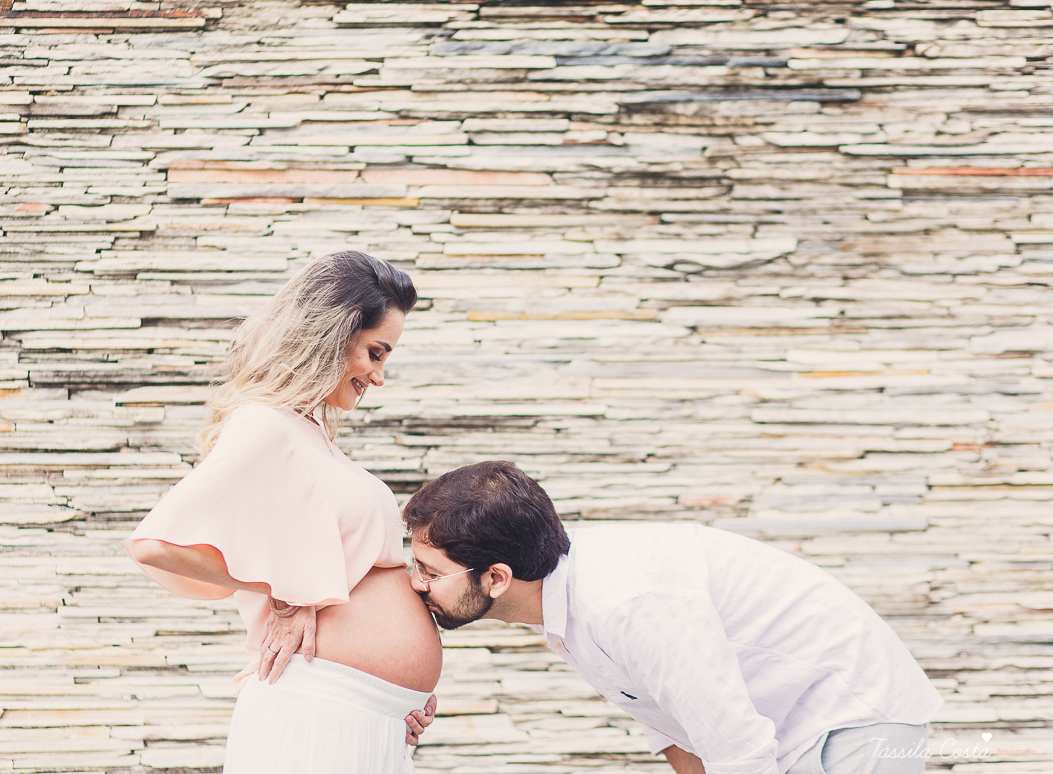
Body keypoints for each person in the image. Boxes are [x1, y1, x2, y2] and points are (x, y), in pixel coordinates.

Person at [403, 461, 943, 774]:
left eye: (429, 570)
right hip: (784, 720)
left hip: (853, 712)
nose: (415, 583)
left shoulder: (628, 603)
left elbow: (737, 749)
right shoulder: (568, 602)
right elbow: (675, 729)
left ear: (496, 577)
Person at [126, 251, 442, 774]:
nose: (379, 376)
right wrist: (285, 592)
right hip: (315, 708)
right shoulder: (264, 424)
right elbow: (156, 544)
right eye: (375, 353)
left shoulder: (309, 434)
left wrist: (399, 694)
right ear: (333, 334)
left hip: (364, 718)